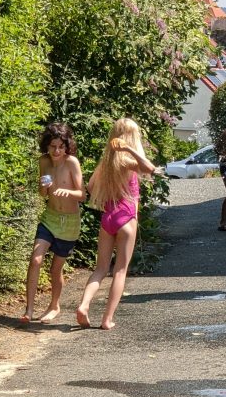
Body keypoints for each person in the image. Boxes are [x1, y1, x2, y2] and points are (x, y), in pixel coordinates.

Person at [76, 118, 158, 330]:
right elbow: (150, 168)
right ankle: (107, 319)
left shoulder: (106, 162)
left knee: (100, 269)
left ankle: (84, 305)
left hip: (108, 217)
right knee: (120, 271)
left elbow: (90, 187)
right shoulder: (128, 161)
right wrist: (130, 150)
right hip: (126, 218)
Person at [21, 122, 86, 324]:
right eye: (53, 147)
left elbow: (83, 195)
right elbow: (43, 194)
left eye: (61, 147)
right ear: (46, 146)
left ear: (67, 146)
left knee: (55, 270)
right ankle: (29, 310)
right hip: (49, 218)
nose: (57, 151)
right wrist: (44, 186)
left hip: (69, 222)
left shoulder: (72, 162)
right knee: (35, 260)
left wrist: (68, 192)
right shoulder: (43, 161)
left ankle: (54, 306)